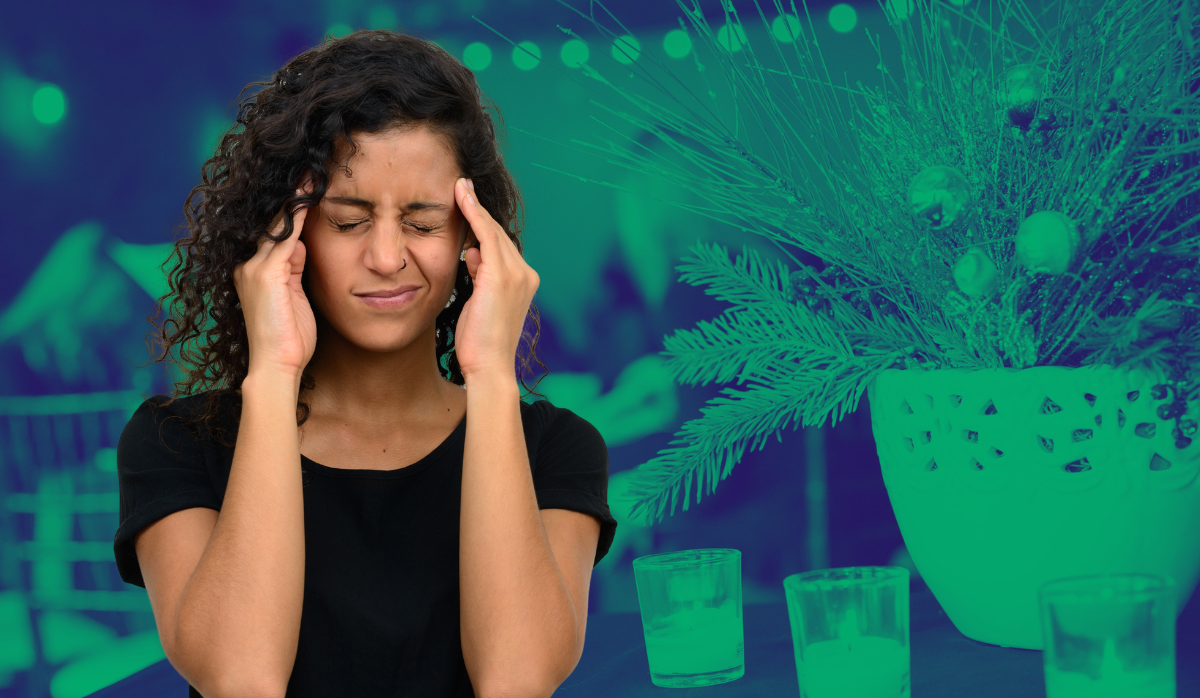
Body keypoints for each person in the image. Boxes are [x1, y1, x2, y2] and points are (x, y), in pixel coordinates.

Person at [112, 30, 617, 698]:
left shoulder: (556, 451)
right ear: (287, 233)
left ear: (472, 238)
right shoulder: (178, 445)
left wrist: (492, 373)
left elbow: (516, 681)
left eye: (423, 221)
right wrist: (274, 370)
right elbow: (240, 680)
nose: (386, 256)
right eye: (349, 221)